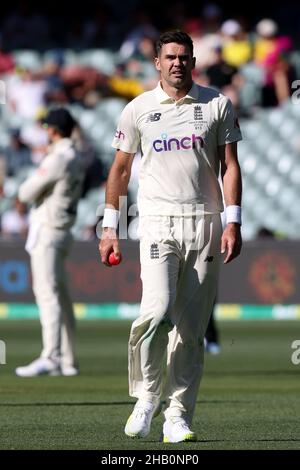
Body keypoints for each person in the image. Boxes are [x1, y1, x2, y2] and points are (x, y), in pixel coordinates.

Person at [99, 30, 242, 443]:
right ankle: (146, 396)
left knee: (191, 330)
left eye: (184, 56)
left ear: (192, 61)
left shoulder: (216, 103)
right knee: (156, 312)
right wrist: (110, 227)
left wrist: (233, 221)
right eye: (170, 57)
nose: (178, 63)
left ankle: (177, 415)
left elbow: (230, 166)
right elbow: (121, 172)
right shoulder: (138, 109)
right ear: (157, 63)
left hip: (205, 222)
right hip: (158, 220)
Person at [15, 108, 84, 377]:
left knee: (48, 294)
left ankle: (51, 356)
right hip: (63, 230)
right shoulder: (75, 154)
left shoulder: (60, 157)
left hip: (49, 230)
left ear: (53, 130)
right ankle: (67, 360)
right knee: (62, 296)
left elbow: (26, 191)